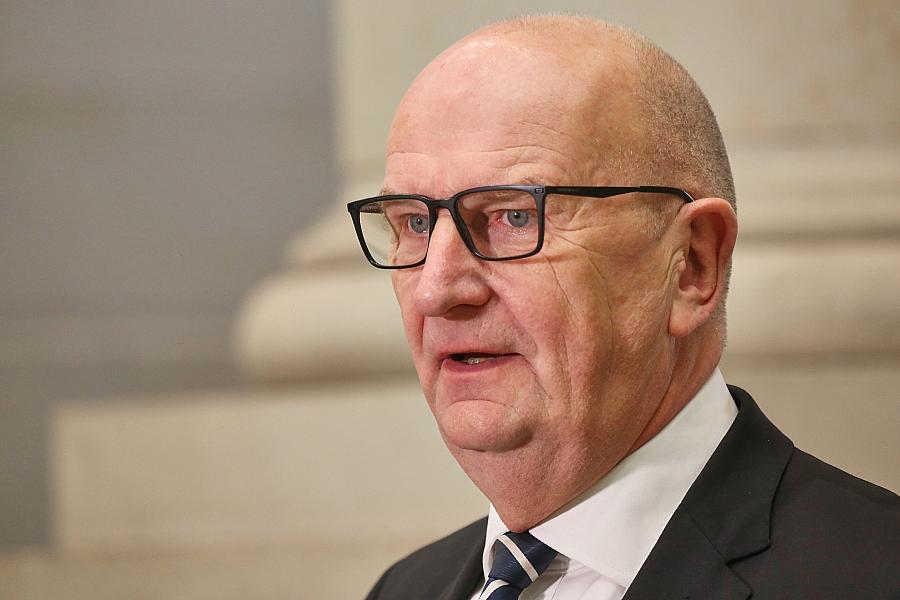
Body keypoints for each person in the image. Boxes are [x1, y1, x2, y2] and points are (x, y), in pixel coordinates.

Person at [346, 15, 899, 600]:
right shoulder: (405, 589)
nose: (435, 291)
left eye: (514, 216)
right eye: (414, 223)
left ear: (692, 265)